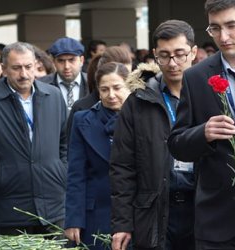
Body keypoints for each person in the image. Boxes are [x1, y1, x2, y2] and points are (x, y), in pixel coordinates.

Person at [167, 0, 235, 249]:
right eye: (214, 28)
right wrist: (202, 133)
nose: (223, 36)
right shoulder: (196, 76)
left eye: (231, 25)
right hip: (216, 220)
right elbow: (176, 144)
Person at [111, 20, 197, 250]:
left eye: (180, 54)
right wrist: (122, 223)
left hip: (201, 207)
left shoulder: (210, 95)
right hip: (155, 208)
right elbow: (122, 166)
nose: (172, 63)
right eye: (164, 56)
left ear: (194, 53)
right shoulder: (139, 102)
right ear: (154, 55)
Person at [0, 42, 68, 236]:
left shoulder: (53, 95)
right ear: (4, 69)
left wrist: (61, 172)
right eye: (16, 68)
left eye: (28, 67)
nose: (24, 74)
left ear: (35, 65)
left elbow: (65, 143)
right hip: (9, 205)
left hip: (53, 203)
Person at [64, 62, 131, 250]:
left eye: (117, 88)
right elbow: (76, 174)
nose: (111, 95)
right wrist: (73, 220)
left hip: (134, 212)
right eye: (104, 89)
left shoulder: (143, 119)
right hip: (96, 213)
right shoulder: (82, 120)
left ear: (129, 87)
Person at [66, 46, 132, 137]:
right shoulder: (82, 109)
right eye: (117, 70)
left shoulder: (138, 108)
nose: (125, 78)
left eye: (128, 73)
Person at [39, 37, 88, 111]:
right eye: (61, 61)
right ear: (53, 62)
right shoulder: (41, 85)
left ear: (81, 60)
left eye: (72, 60)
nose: (66, 66)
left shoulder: (93, 83)